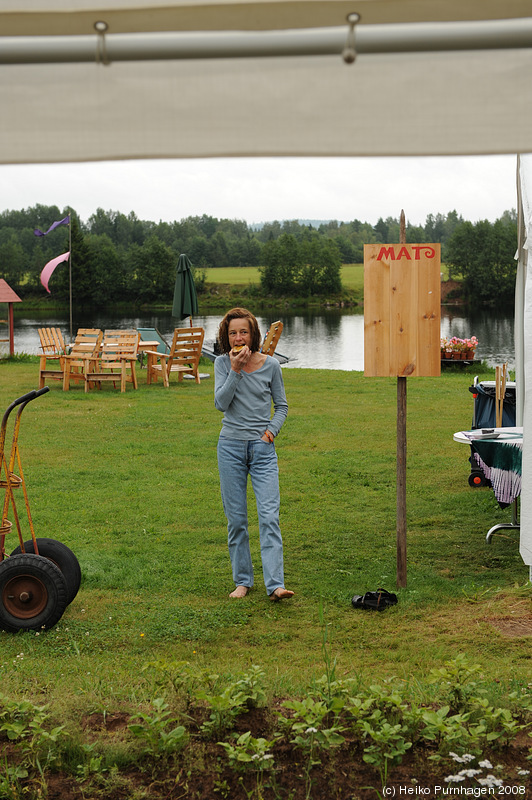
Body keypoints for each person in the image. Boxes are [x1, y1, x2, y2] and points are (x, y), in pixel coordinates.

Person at [214, 307, 294, 601]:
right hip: (230, 448)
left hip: (262, 450)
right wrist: (235, 370)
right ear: (227, 336)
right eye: (233, 332)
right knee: (236, 520)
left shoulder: (271, 365)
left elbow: (282, 406)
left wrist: (270, 432)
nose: (238, 337)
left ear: (253, 334)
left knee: (269, 516)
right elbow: (220, 404)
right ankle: (243, 582)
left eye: (243, 332)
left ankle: (276, 585)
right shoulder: (223, 364)